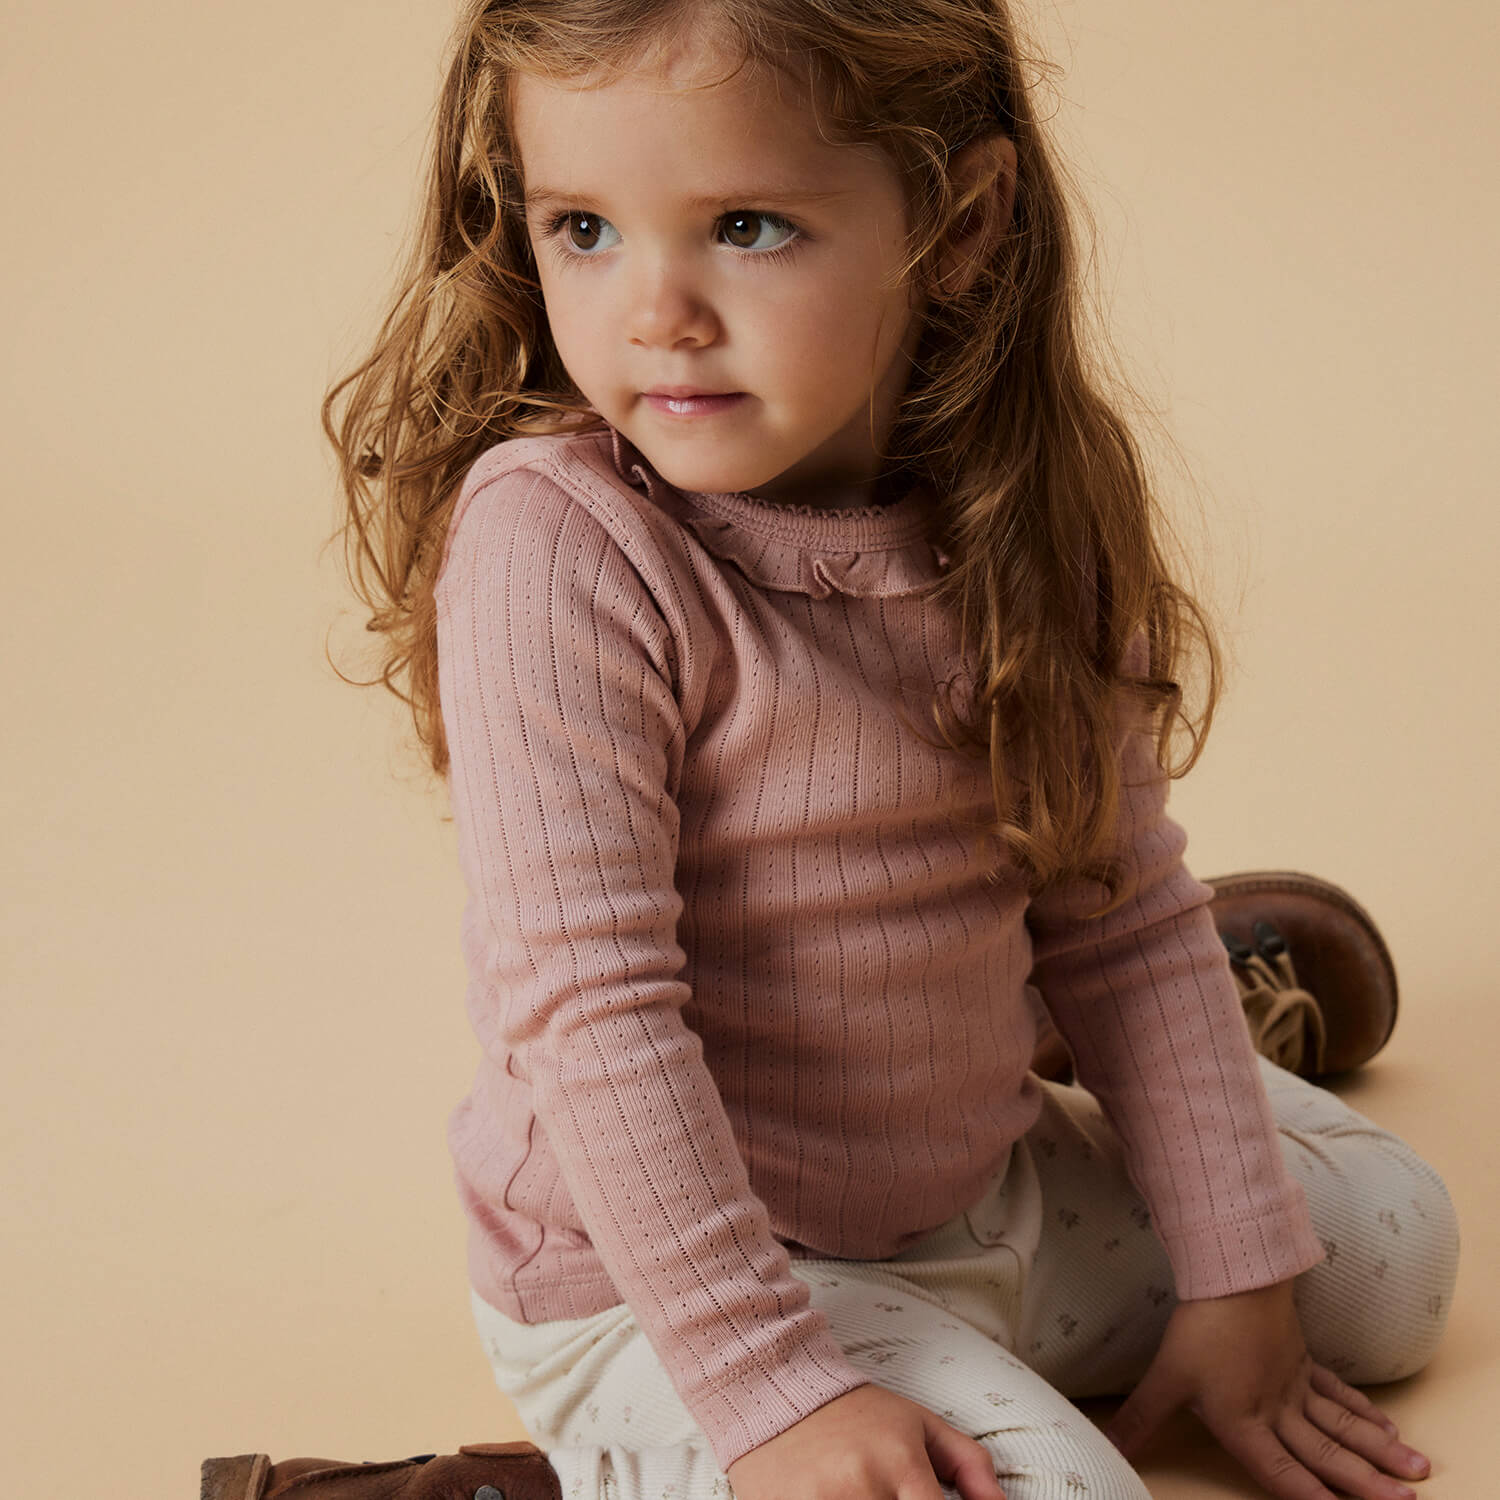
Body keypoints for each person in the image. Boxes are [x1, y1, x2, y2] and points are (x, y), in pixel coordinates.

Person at [320, 3, 1459, 1498]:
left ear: (959, 224)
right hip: (677, 1291)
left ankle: (1097, 1041)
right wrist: (778, 1398)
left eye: (745, 226)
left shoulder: (1028, 509)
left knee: (1396, 1264)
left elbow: (1116, 911)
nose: (656, 312)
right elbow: (593, 1018)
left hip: (980, 1187)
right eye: (582, 228)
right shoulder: (560, 544)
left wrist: (1237, 1269)